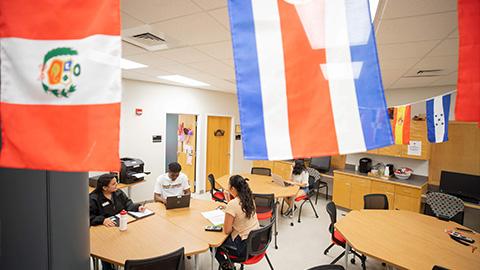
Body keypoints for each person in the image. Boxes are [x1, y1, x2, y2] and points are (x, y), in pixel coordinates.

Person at [89, 173, 145, 270]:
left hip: (121, 226)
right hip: (104, 233)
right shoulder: (93, 198)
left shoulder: (118, 193)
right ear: (105, 187)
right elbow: (89, 217)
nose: (117, 185)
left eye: (116, 182)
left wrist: (137, 207)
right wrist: (102, 220)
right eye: (114, 184)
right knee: (108, 257)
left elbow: (127, 203)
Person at [215, 175, 259, 270]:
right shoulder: (250, 199)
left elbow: (227, 231)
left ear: (233, 188)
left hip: (243, 248)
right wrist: (228, 200)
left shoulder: (233, 204)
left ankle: (228, 267)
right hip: (256, 243)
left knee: (215, 245)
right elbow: (238, 210)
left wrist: (228, 206)